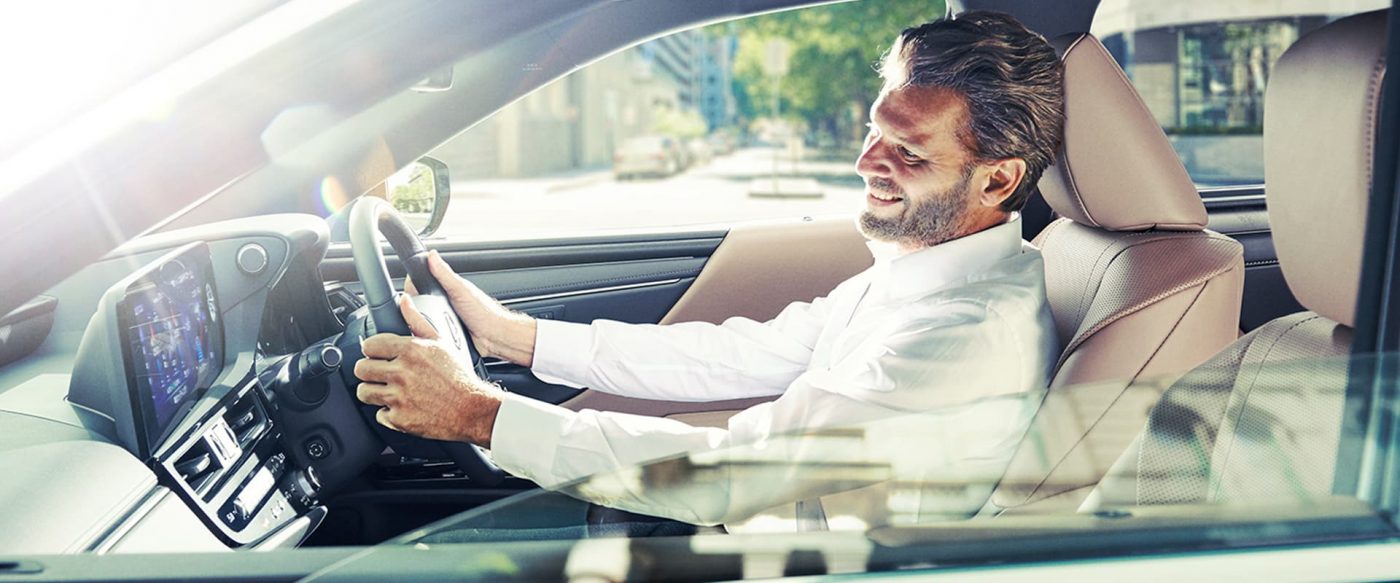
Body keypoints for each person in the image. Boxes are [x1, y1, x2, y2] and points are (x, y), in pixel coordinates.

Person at [354, 11, 1065, 531]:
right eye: (873, 132)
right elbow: (739, 354)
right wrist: (514, 336)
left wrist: (481, 415)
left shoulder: (962, 335)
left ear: (997, 180)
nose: (865, 164)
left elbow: (729, 475)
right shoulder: (932, 276)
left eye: (907, 152)